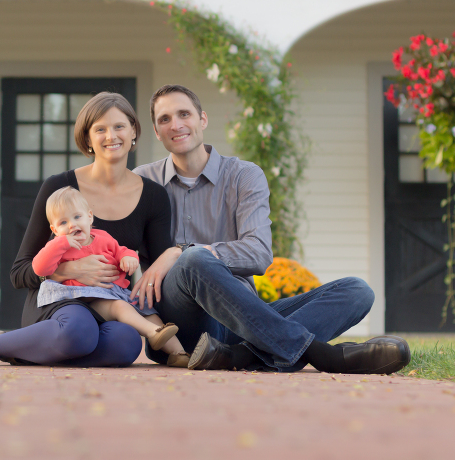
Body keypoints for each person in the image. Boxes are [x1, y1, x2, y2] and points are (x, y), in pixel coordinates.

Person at [131, 84, 410, 373]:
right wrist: (186, 257)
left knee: (357, 291)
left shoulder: (243, 176)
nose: (175, 125)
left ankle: (237, 356)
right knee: (193, 261)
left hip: (243, 320)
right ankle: (322, 354)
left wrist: (179, 250)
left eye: (184, 114)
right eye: (165, 119)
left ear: (202, 119)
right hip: (181, 328)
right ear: (156, 130)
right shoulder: (141, 183)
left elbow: (258, 253)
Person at [0, 92, 182, 368]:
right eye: (100, 129)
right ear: (88, 138)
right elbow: (19, 272)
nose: (110, 136)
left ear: (134, 131)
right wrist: (68, 270)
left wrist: (175, 256)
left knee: (126, 344)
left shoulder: (153, 196)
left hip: (110, 306)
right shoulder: (59, 189)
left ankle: (18, 343)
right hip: (58, 305)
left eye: (119, 126)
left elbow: (155, 272)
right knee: (79, 331)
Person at [33, 186, 187, 362]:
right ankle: (152, 333)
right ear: (54, 229)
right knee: (120, 307)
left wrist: (128, 258)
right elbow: (40, 268)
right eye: (63, 223)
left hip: (113, 292)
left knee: (147, 310)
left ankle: (179, 354)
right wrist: (59, 243)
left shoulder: (103, 237)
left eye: (77, 217)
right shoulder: (58, 248)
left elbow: (121, 250)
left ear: (89, 217)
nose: (72, 225)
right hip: (84, 301)